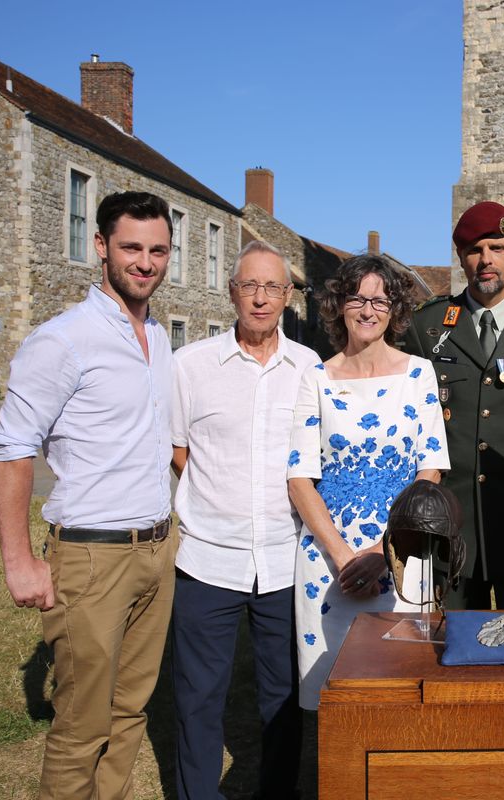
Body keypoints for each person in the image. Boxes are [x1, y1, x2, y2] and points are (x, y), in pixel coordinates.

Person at [0, 191, 175, 799]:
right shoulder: (64, 339)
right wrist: (19, 561)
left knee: (129, 716)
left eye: (157, 250)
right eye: (131, 248)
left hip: (157, 551)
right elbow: (12, 446)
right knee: (81, 725)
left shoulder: (160, 340)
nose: (145, 262)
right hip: (92, 558)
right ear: (101, 248)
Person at [169, 240, 317, 799]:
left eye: (272, 287)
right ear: (231, 291)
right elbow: (179, 450)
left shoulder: (309, 369)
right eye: (249, 286)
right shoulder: (190, 367)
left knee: (283, 697)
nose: (260, 298)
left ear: (287, 297)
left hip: (284, 561)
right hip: (208, 559)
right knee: (198, 698)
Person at [288, 254, 450, 709]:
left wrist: (384, 552)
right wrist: (343, 558)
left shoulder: (419, 375)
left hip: (405, 552)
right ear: (339, 305)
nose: (367, 310)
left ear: (395, 310)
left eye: (380, 300)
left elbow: (430, 472)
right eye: (356, 298)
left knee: (403, 684)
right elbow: (299, 479)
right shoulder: (315, 378)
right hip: (329, 559)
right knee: (334, 694)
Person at [402, 201, 504, 609]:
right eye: (475, 250)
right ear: (461, 258)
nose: (486, 260)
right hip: (451, 524)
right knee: (451, 652)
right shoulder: (428, 327)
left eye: (496, 247)